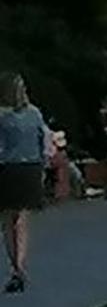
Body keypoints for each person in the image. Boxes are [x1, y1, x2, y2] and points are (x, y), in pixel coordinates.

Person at [0, 74, 52, 293]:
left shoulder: (2, 117)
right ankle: (20, 265)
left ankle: (16, 267)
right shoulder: (35, 114)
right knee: (22, 220)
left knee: (7, 221)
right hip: (31, 168)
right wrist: (43, 163)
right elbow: (45, 141)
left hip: (8, 169)